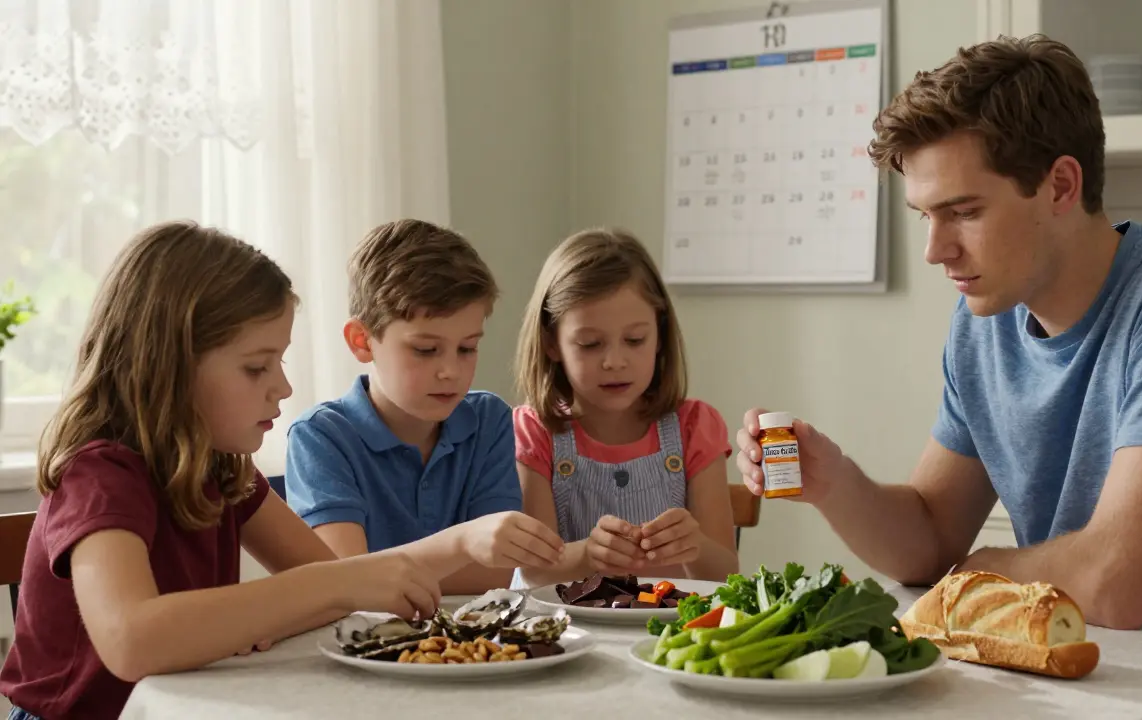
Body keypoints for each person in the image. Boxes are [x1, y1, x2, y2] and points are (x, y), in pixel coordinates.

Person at [734, 35, 1142, 716]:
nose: (936, 250)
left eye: (964, 212)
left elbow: (1119, 583)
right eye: (926, 217)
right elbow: (928, 540)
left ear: (1061, 185)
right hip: (1061, 693)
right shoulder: (983, 322)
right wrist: (831, 480)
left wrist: (971, 575)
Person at [0, 221, 546, 720]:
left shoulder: (223, 471)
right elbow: (130, 639)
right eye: (257, 366)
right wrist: (305, 596)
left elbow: (335, 585)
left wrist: (275, 609)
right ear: (169, 364)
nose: (282, 387)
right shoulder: (98, 475)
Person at [285, 219, 563, 594]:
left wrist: (379, 569)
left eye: (467, 348)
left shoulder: (488, 420)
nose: (450, 371)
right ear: (362, 340)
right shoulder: (320, 436)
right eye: (426, 350)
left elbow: (496, 574)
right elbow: (349, 582)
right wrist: (463, 544)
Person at [512, 228, 738, 586]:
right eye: (590, 344)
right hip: (569, 635)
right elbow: (535, 571)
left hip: (668, 633)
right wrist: (587, 554)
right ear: (551, 343)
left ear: (660, 335)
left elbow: (725, 573)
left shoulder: (695, 426)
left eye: (635, 340)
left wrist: (694, 545)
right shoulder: (535, 432)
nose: (614, 361)